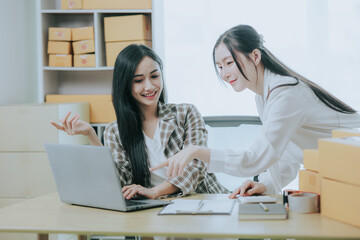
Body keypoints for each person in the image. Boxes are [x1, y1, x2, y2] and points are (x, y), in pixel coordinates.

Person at [151, 24, 360, 197]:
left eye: (229, 62)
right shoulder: (264, 96)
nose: (224, 73)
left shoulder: (286, 93)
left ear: (255, 56)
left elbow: (254, 158)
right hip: (343, 169)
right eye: (219, 66)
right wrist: (266, 184)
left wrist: (195, 151)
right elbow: (288, 153)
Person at [51, 44, 228, 200]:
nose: (149, 86)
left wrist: (155, 192)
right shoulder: (115, 131)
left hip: (200, 201)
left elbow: (196, 168)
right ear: (126, 85)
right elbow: (119, 182)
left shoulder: (186, 113)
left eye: (154, 76)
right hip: (152, 208)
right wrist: (91, 134)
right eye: (138, 80)